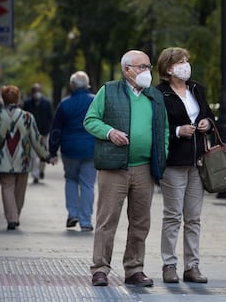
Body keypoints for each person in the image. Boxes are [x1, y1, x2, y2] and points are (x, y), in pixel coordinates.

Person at [84, 50, 169, 287]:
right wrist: (110, 133)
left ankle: (134, 269)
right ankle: (100, 269)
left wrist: (163, 154)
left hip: (144, 168)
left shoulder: (155, 96)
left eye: (148, 67)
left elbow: (164, 130)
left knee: (141, 222)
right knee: (107, 220)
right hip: (114, 168)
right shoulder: (109, 90)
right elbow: (90, 120)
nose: (146, 71)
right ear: (127, 69)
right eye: (141, 67)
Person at [156, 47, 215, 284]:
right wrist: (178, 131)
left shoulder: (196, 89)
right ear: (169, 68)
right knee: (172, 216)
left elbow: (210, 116)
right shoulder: (159, 94)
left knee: (194, 218)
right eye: (181, 62)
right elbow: (158, 128)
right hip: (174, 162)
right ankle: (169, 265)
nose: (186, 65)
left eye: (187, 61)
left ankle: (192, 267)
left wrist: (207, 123)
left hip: (197, 161)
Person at [0, 85, 54, 230]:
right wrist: (46, 156)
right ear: (18, 99)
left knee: (7, 188)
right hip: (23, 161)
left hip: (2, 160)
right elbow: (36, 139)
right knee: (20, 190)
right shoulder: (27, 117)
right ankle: (14, 216)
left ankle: (13, 217)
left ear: (3, 99)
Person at [48, 71, 96, 232]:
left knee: (71, 180)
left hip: (69, 150)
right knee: (88, 185)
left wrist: (52, 152)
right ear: (87, 85)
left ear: (72, 86)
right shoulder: (96, 101)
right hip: (91, 150)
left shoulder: (64, 104)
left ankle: (72, 214)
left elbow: (56, 130)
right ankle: (85, 221)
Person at [23, 83, 54, 183]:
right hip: (31, 135)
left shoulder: (47, 103)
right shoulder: (27, 103)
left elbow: (51, 117)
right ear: (32, 93)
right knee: (33, 156)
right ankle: (35, 175)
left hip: (44, 133)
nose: (37, 93)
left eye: (38, 91)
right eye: (34, 91)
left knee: (43, 155)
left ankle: (41, 170)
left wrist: (49, 130)